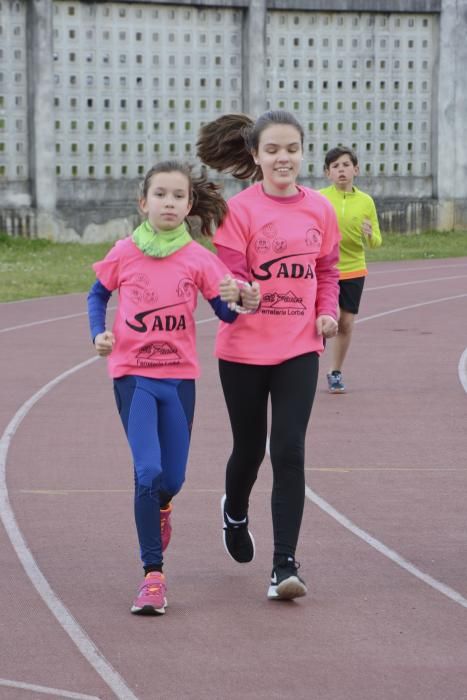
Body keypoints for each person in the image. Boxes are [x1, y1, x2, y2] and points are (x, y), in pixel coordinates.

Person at [87, 161, 260, 616]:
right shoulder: (124, 252)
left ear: (189, 206)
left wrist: (239, 300)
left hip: (179, 379)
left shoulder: (199, 259)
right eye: (160, 194)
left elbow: (224, 313)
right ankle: (153, 576)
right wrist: (98, 334)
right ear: (143, 202)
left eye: (178, 196)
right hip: (133, 376)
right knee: (146, 471)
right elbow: (96, 295)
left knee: (172, 480)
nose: (169, 202)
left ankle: (162, 507)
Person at [196, 110, 341, 601]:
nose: (284, 158)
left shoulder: (320, 208)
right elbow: (226, 275)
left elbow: (328, 269)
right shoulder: (240, 210)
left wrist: (327, 312)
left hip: (300, 346)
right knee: (251, 449)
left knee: (290, 450)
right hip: (243, 350)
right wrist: (241, 292)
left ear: (303, 154)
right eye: (273, 150)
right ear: (255, 156)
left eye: (292, 149)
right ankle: (234, 511)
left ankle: (284, 566)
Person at [320, 146, 382, 393]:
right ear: (328, 173)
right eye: (335, 167)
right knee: (327, 317)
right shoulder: (320, 198)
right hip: (325, 268)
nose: (341, 170)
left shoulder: (366, 201)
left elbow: (376, 240)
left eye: (346, 165)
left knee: (345, 323)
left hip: (354, 269)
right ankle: (304, 362)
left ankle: (335, 371)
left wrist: (370, 236)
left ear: (355, 169)